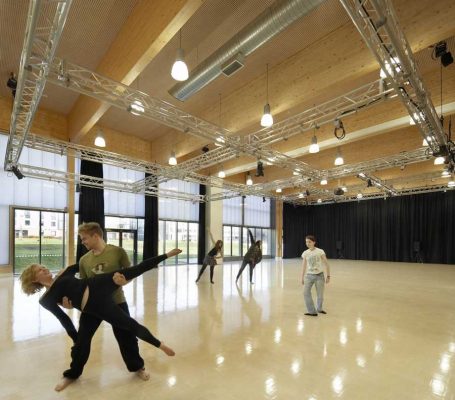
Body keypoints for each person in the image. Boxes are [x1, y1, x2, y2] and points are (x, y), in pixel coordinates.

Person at [20, 248, 181, 391]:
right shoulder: (46, 300)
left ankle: (158, 347)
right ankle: (71, 375)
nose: (44, 268)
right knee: (84, 344)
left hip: (97, 284)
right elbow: (64, 320)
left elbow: (87, 263)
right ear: (34, 279)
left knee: (133, 275)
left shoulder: (65, 272)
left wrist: (122, 277)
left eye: (43, 266)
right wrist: (77, 340)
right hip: (91, 308)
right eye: (39, 270)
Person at [59, 222, 150, 385]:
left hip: (116, 302)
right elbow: (84, 285)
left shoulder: (118, 252)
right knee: (82, 340)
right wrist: (71, 303)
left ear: (96, 235)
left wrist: (124, 281)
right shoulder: (84, 260)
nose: (83, 242)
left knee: (127, 337)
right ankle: (72, 373)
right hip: (92, 306)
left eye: (84, 238)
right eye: (81, 239)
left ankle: (137, 367)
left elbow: (130, 274)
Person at [301, 235, 331, 316]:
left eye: (309, 242)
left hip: (319, 276)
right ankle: (312, 311)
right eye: (306, 242)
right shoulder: (305, 253)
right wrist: (302, 277)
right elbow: (303, 266)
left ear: (314, 242)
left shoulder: (320, 251)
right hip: (309, 276)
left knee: (320, 295)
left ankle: (319, 309)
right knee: (305, 292)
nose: (307, 243)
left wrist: (328, 276)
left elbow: (326, 264)